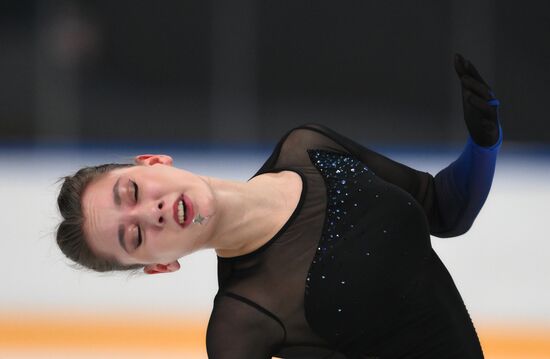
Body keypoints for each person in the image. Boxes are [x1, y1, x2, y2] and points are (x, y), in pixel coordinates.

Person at [56, 53, 502, 358]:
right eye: (134, 236)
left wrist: (483, 142)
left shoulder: (309, 147)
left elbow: (444, 210)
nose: (148, 213)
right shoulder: (240, 324)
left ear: (153, 161)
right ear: (160, 266)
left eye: (131, 192)